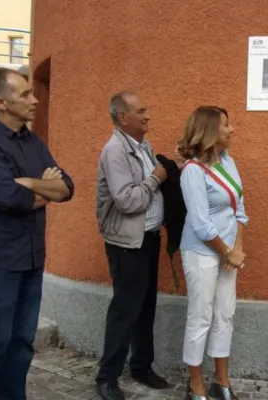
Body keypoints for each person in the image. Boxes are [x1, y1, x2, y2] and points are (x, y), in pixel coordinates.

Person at [0, 67, 74, 399]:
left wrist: (28, 185)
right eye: (25, 94)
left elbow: (66, 188)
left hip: (29, 256)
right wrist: (37, 188)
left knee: (21, 342)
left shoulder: (32, 141)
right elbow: (10, 197)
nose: (35, 99)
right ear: (0, 102)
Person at [95, 91, 170, 400]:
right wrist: (156, 179)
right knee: (124, 312)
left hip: (148, 239)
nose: (147, 115)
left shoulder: (142, 146)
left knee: (145, 308)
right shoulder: (115, 151)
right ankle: (106, 378)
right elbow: (127, 200)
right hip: (127, 245)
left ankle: (141, 366)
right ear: (123, 117)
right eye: (141, 111)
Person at [177, 106, 248, 400]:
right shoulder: (193, 171)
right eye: (226, 125)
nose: (232, 130)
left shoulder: (229, 162)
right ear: (209, 131)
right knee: (201, 316)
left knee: (225, 315)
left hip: (228, 254)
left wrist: (237, 250)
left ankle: (222, 382)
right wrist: (226, 252)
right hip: (201, 253)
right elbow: (201, 223)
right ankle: (195, 386)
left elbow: (240, 211)